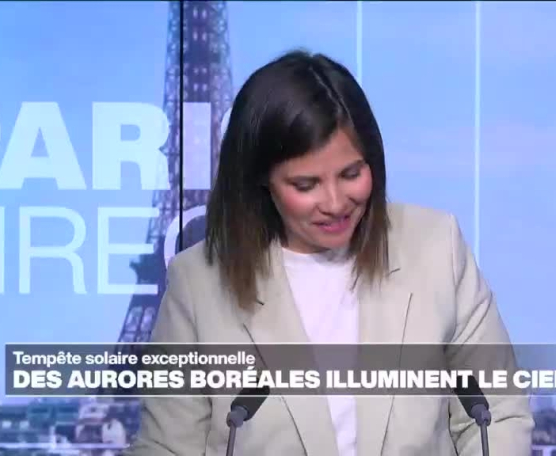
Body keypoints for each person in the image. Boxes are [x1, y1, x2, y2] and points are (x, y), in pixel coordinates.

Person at [128, 50, 534, 456]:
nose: (336, 203)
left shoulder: (436, 245)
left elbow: (498, 411)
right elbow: (167, 447)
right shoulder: (198, 282)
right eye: (306, 185)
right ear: (260, 180)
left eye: (351, 174)